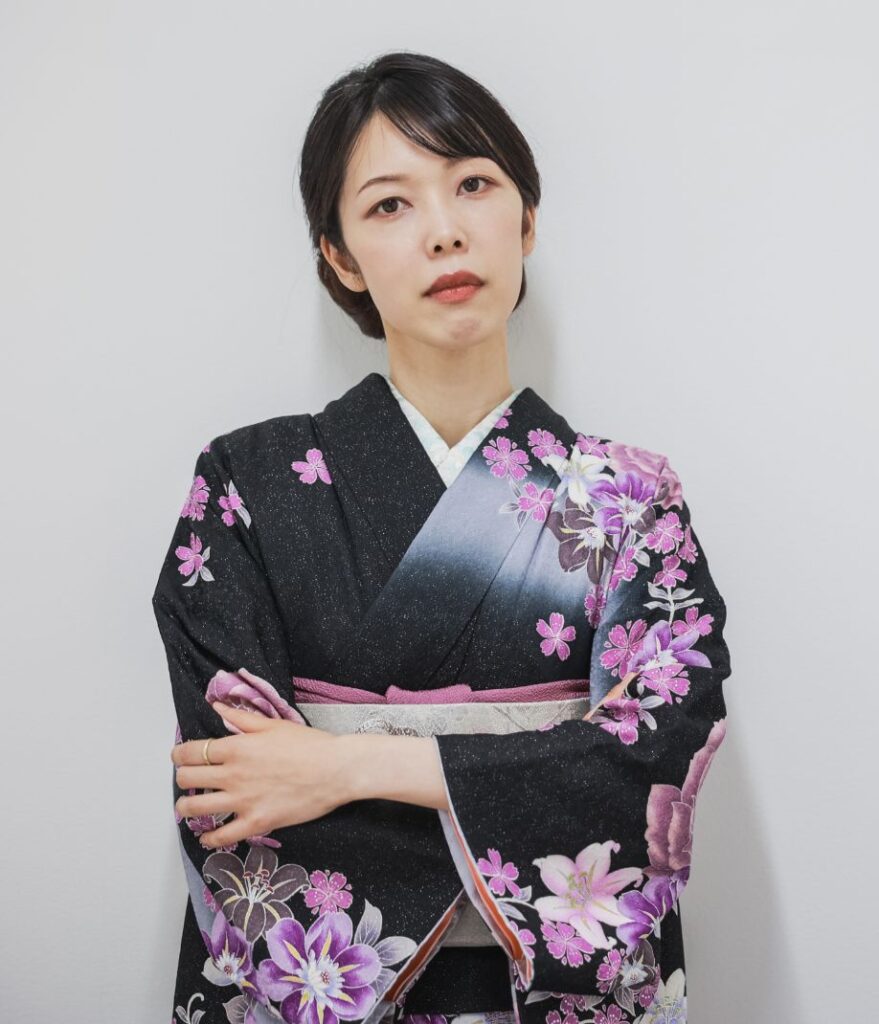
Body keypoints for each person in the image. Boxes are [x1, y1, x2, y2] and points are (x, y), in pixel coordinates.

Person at [154, 51, 732, 1024]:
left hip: (550, 998)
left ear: (526, 220)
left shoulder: (630, 496)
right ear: (340, 256)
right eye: (389, 204)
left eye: (473, 184)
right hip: (330, 987)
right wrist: (526, 775)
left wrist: (351, 766)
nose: (444, 230)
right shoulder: (244, 484)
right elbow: (234, 785)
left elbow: (653, 759)